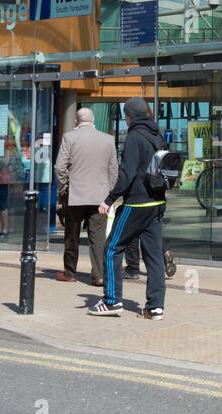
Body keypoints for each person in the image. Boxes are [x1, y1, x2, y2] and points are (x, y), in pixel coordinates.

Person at [89, 97, 168, 319]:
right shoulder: (156, 135)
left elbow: (127, 173)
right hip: (157, 203)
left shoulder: (134, 137)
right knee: (154, 257)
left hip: (137, 203)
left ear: (130, 116)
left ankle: (111, 301)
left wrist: (109, 199)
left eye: (126, 115)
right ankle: (155, 307)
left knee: (112, 248)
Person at [55, 107, 117, 286]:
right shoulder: (108, 140)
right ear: (93, 120)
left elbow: (60, 168)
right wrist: (110, 196)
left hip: (75, 195)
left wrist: (64, 188)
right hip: (101, 197)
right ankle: (98, 275)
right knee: (97, 238)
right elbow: (113, 171)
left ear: (77, 121)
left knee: (71, 236)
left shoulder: (69, 138)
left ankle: (69, 273)